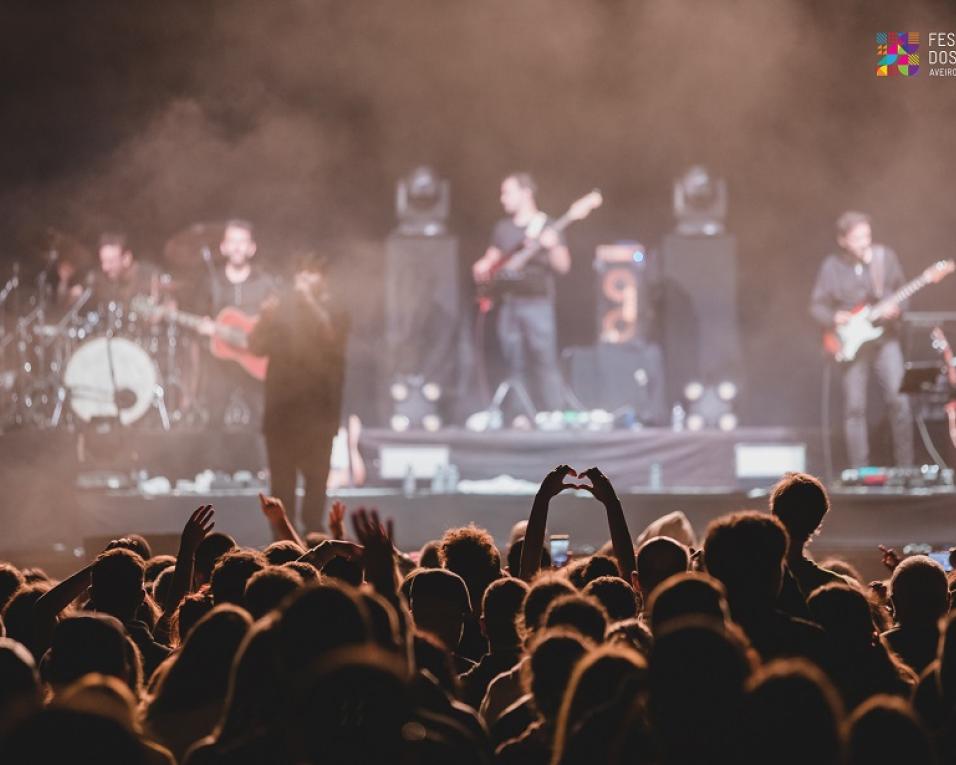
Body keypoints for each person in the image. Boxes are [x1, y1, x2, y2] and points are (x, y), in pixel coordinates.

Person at [248, 255, 349, 532]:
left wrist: (311, 304)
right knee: (282, 490)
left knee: (316, 493)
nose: (302, 281)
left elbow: (332, 339)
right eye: (300, 274)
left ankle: (315, 548)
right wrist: (265, 319)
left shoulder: (336, 311)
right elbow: (256, 347)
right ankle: (281, 551)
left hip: (319, 417)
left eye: (310, 274)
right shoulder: (282, 312)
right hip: (282, 416)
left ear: (323, 279)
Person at [810, 211, 914, 467]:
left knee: (899, 401)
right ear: (843, 240)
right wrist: (835, 317)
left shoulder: (884, 258)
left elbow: (903, 293)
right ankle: (860, 472)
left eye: (867, 236)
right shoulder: (832, 267)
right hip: (852, 343)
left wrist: (897, 311)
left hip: (884, 338)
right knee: (855, 408)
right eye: (857, 238)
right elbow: (816, 306)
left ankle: (907, 469)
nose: (864, 242)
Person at [472, 173, 570, 420]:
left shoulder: (547, 225)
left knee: (544, 361)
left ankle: (554, 414)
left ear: (526, 193)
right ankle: (519, 417)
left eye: (507, 192)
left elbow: (563, 266)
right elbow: (491, 258)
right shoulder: (502, 229)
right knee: (514, 363)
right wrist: (482, 266)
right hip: (509, 305)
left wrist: (553, 246)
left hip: (538, 304)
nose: (502, 198)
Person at [198, 219, 276, 429]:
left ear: (252, 248)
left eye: (243, 242)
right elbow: (202, 316)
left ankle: (262, 462)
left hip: (255, 361)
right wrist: (204, 327)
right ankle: (214, 462)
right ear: (223, 247)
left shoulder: (265, 282)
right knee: (214, 414)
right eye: (232, 241)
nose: (237, 247)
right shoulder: (212, 283)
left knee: (262, 416)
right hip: (222, 361)